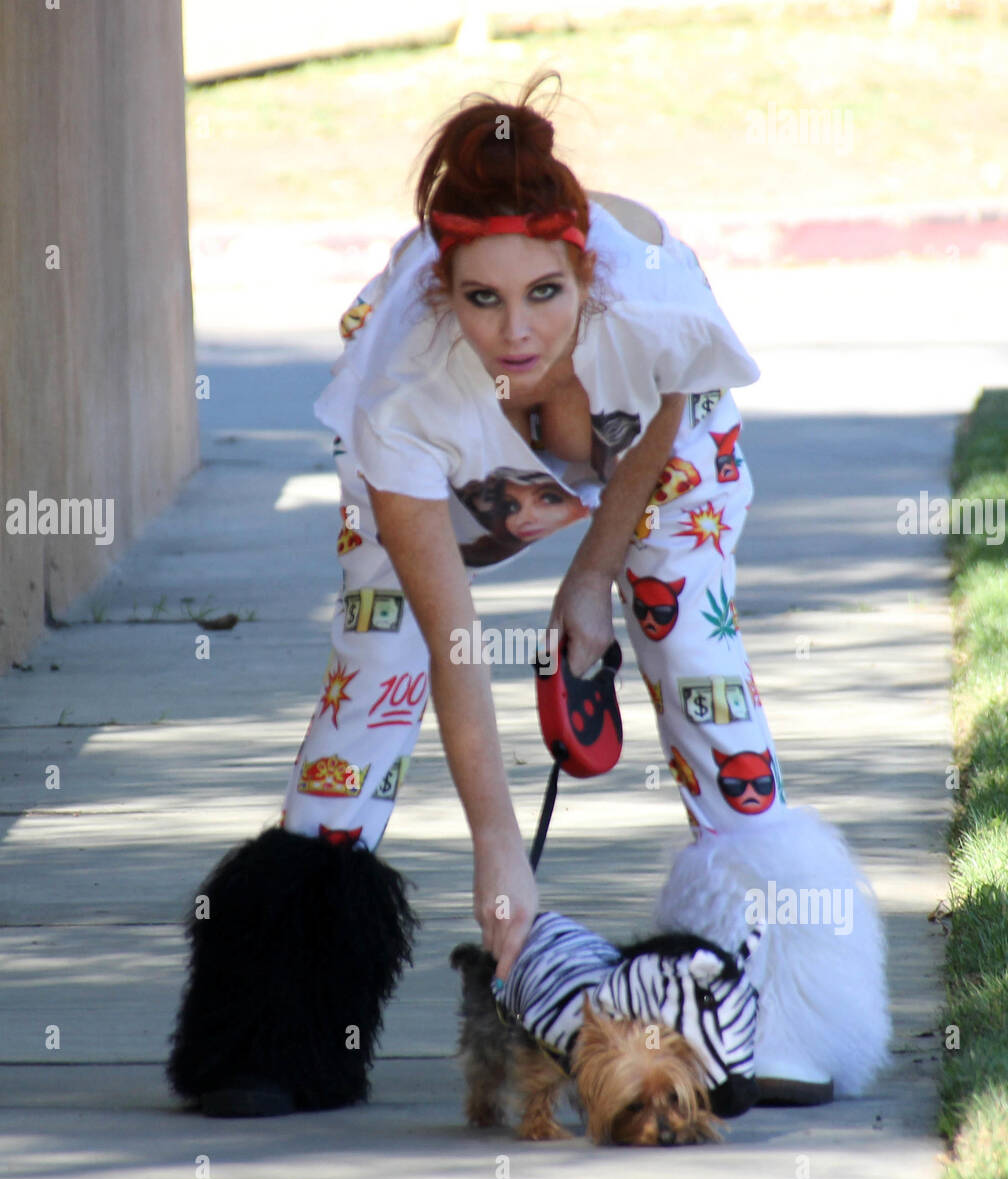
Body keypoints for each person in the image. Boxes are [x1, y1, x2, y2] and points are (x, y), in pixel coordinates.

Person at [167, 71, 890, 1118]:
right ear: (440, 293)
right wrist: (498, 846)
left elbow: (659, 425)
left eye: (545, 293)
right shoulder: (396, 390)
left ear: (585, 276)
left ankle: (769, 1015)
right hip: (458, 471)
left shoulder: (652, 307)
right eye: (483, 298)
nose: (517, 331)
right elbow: (450, 636)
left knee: (693, 647)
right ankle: (277, 1026)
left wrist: (595, 575)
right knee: (377, 661)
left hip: (649, 448)